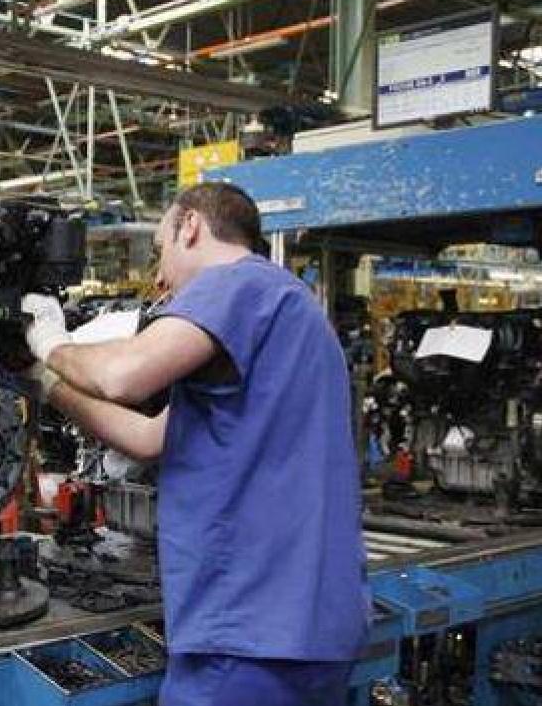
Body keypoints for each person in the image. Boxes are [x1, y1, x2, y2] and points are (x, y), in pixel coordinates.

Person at [23, 182, 368, 706]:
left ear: (190, 226)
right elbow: (147, 437)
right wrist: (49, 387)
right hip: (312, 630)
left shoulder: (237, 282)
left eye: (160, 250)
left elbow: (123, 375)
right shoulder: (289, 310)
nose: (160, 277)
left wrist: (51, 343)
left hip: (248, 631)